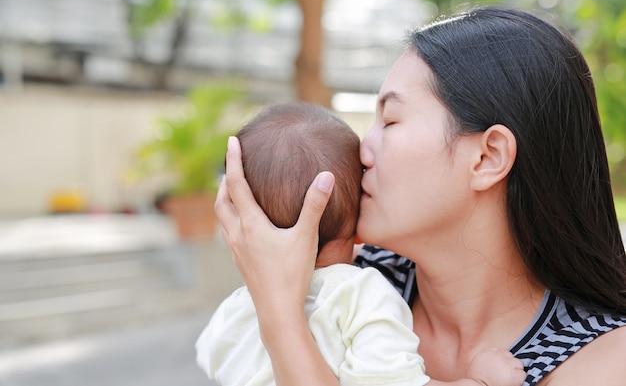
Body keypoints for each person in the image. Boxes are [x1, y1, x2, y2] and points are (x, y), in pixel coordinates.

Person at [215, 6, 626, 386]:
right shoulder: (344, 282)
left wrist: (280, 317)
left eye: (390, 121)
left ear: (487, 157)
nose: (361, 149)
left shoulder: (600, 362)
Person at [196, 102, 525, 386]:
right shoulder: (361, 295)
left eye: (389, 121)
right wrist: (479, 381)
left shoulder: (234, 311)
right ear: (359, 220)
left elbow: (214, 361)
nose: (368, 145)